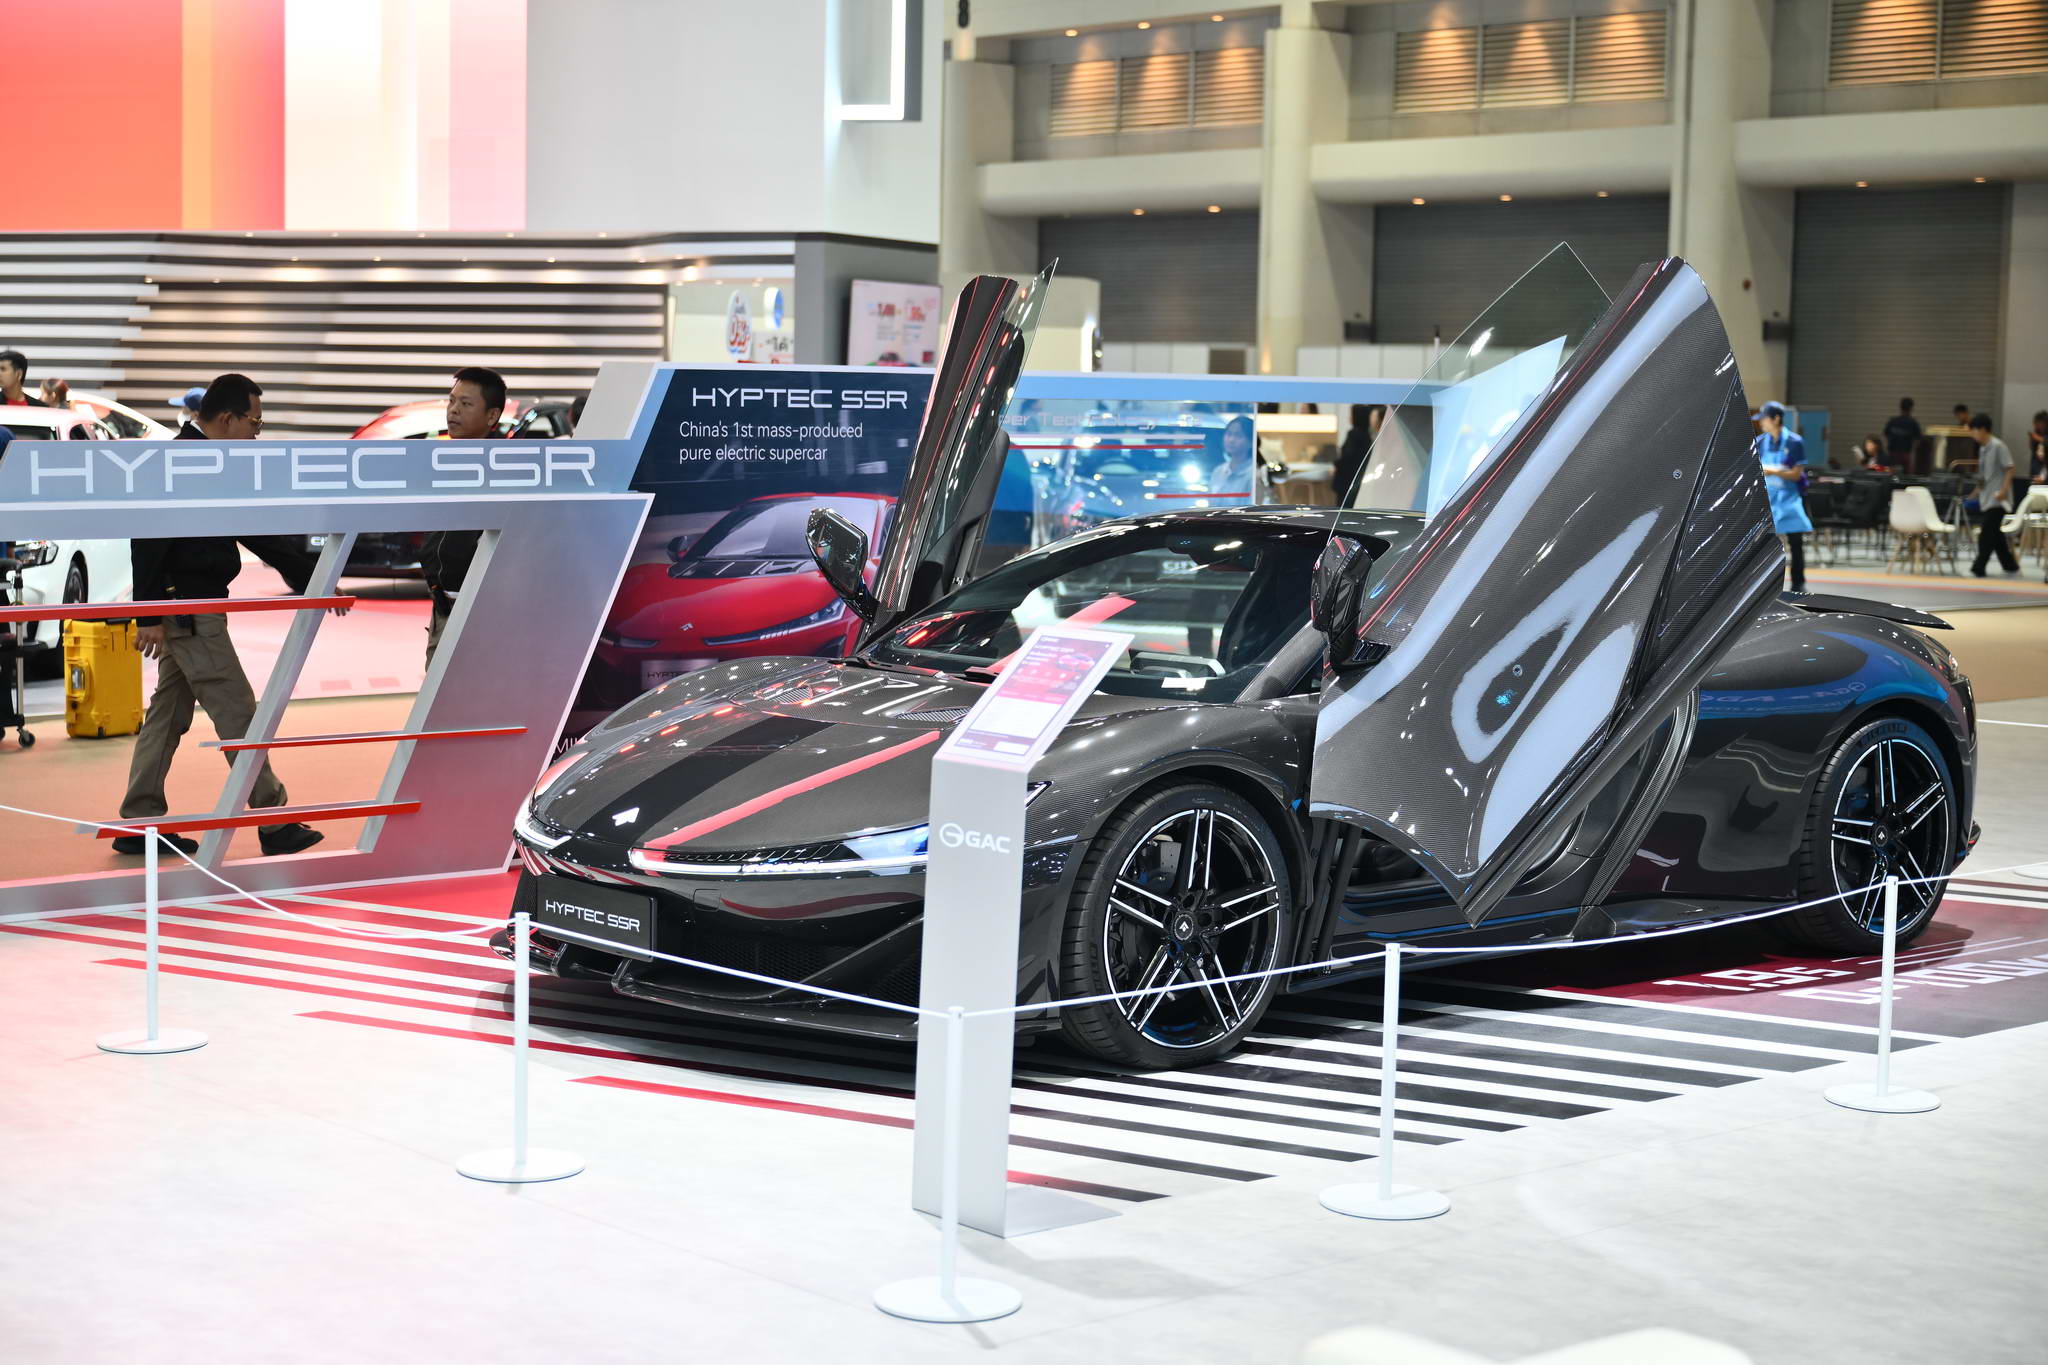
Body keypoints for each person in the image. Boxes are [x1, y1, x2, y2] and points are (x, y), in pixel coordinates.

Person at [118, 374, 343, 857]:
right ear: (227, 419)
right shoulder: (181, 463)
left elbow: (256, 532)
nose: (257, 434)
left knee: (167, 716)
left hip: (189, 608)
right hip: (190, 611)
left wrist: (316, 577)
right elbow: (148, 539)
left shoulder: (206, 461)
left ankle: (138, 819)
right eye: (255, 423)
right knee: (238, 710)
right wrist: (148, 614)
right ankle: (272, 820)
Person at [421, 366, 505, 665]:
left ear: (492, 416)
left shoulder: (505, 469)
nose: (453, 410)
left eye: (466, 404)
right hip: (442, 605)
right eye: (452, 400)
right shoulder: (443, 461)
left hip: (483, 615)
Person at [1752, 401, 1811, 594]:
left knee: (1796, 542)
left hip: (1789, 499)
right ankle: (1765, 585)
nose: (1761, 423)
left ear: (1776, 419)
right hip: (1768, 499)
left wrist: (1774, 471)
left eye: (1764, 419)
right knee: (1766, 544)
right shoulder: (1760, 442)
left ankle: (1798, 583)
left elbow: (1796, 474)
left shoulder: (1795, 442)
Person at [1967, 413, 2019, 578]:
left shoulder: (1998, 446)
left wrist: (2003, 491)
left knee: (1986, 534)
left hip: (1998, 499)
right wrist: (1975, 492)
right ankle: (2010, 565)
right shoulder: (1983, 448)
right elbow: (1984, 475)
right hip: (1987, 497)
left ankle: (1978, 567)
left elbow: (2010, 468)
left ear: (1983, 429)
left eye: (1974, 430)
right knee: (1996, 535)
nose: (1973, 434)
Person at [1332, 404, 1384, 505]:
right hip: (1358, 478)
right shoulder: (1367, 435)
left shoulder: (1354, 434)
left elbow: (1348, 457)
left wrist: (1336, 465)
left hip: (1347, 480)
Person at [1882, 398, 1920, 466]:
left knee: (1892, 471)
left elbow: (1885, 435)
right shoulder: (1913, 423)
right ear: (1911, 408)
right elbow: (1918, 439)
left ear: (1900, 407)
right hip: (1906, 454)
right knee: (1906, 472)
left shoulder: (1893, 421)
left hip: (1893, 453)